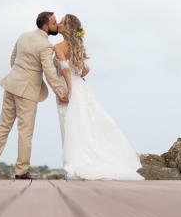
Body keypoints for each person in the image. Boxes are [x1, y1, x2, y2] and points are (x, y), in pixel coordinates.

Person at [54, 14, 143, 180]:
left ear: (67, 28)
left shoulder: (59, 47)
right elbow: (84, 70)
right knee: (85, 123)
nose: (58, 24)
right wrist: (78, 80)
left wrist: (69, 91)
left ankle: (75, 161)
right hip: (81, 87)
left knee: (70, 125)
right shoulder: (78, 45)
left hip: (70, 88)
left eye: (61, 22)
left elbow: (66, 70)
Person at [0, 12, 69, 180]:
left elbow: (13, 58)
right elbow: (49, 72)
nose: (56, 24)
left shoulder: (23, 35)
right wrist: (60, 92)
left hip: (11, 83)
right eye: (53, 22)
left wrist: (19, 73)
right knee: (25, 132)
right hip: (27, 90)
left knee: (3, 126)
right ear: (45, 26)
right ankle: (21, 171)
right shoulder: (45, 45)